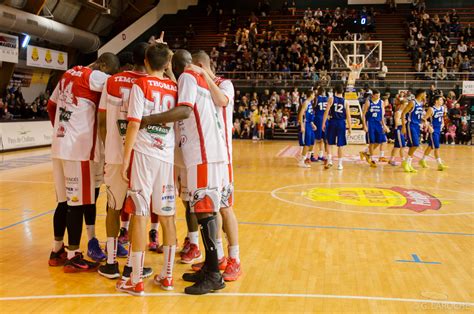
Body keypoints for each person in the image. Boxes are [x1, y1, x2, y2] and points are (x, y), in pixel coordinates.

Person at [139, 49, 227, 295]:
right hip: (207, 152)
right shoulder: (195, 79)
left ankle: (214, 275)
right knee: (203, 211)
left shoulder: (188, 77)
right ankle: (210, 268)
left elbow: (185, 110)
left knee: (205, 212)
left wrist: (148, 119)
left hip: (203, 153)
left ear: (175, 66)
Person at [47, 53, 120, 271]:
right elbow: (117, 87)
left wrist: (61, 131)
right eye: (109, 72)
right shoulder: (96, 76)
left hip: (58, 145)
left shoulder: (67, 74)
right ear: (105, 66)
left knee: (63, 202)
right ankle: (73, 256)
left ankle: (56, 249)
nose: (108, 76)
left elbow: (51, 106)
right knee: (77, 204)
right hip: (78, 149)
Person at [116, 43, 178, 295]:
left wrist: (125, 158)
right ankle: (168, 276)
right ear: (167, 64)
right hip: (167, 155)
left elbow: (133, 124)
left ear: (145, 60)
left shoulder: (140, 85)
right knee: (167, 216)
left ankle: (136, 280)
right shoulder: (174, 87)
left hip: (143, 154)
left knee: (140, 214)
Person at [97, 43, 156, 279]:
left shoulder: (111, 82)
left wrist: (108, 147)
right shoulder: (152, 83)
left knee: (113, 208)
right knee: (137, 211)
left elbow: (102, 122)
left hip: (114, 156)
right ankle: (132, 266)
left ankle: (111, 263)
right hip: (140, 155)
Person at [187, 51, 242, 281]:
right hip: (209, 156)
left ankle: (235, 258)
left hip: (224, 158)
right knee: (211, 207)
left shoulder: (225, 83)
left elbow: (221, 101)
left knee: (225, 207)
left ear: (200, 65)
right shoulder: (197, 84)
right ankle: (217, 256)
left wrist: (204, 75)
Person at [322, 84, 352, 170]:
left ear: (335, 91)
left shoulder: (331, 99)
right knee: (340, 145)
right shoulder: (346, 102)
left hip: (332, 122)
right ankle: (340, 164)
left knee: (328, 142)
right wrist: (350, 127)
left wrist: (323, 123)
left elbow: (326, 112)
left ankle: (330, 161)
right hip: (341, 123)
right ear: (343, 92)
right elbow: (348, 116)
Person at [361, 90, 390, 167]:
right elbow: (363, 115)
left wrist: (384, 125)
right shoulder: (368, 102)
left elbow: (382, 116)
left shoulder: (381, 102)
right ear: (373, 95)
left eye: (379, 95)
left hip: (378, 123)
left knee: (381, 140)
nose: (378, 97)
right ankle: (372, 159)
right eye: (377, 95)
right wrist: (364, 125)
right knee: (372, 142)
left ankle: (367, 153)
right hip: (370, 123)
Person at [419, 95, 448, 170]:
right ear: (436, 101)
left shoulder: (442, 108)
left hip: (439, 129)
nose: (442, 101)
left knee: (431, 146)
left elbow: (441, 117)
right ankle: (439, 164)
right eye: (441, 100)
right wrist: (429, 127)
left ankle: (422, 160)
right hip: (433, 130)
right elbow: (424, 119)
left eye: (442, 100)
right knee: (436, 147)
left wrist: (443, 123)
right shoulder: (431, 109)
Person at [401, 88, 426, 173]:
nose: (425, 96)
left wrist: (423, 119)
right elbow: (403, 113)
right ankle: (406, 162)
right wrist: (403, 126)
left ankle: (408, 164)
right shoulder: (412, 102)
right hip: (410, 125)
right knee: (415, 144)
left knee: (414, 145)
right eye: (425, 94)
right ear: (421, 94)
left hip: (417, 125)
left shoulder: (421, 103)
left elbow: (416, 115)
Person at [297, 90, 316, 168]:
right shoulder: (306, 103)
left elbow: (308, 115)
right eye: (314, 94)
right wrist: (302, 126)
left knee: (312, 141)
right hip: (305, 124)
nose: (314, 96)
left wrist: (312, 124)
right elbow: (301, 115)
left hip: (309, 124)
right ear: (311, 94)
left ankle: (307, 158)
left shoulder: (310, 103)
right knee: (307, 143)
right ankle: (302, 161)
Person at [389, 100, 408, 166]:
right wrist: (405, 122)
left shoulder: (405, 113)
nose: (407, 106)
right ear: (402, 105)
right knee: (402, 146)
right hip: (399, 130)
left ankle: (391, 160)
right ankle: (403, 161)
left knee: (396, 147)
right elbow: (396, 123)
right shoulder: (398, 112)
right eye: (406, 105)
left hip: (402, 130)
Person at [313, 87, 328, 162]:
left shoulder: (316, 98)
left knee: (316, 138)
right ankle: (320, 155)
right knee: (323, 139)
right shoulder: (328, 98)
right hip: (325, 119)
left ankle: (312, 155)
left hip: (318, 119)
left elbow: (313, 109)